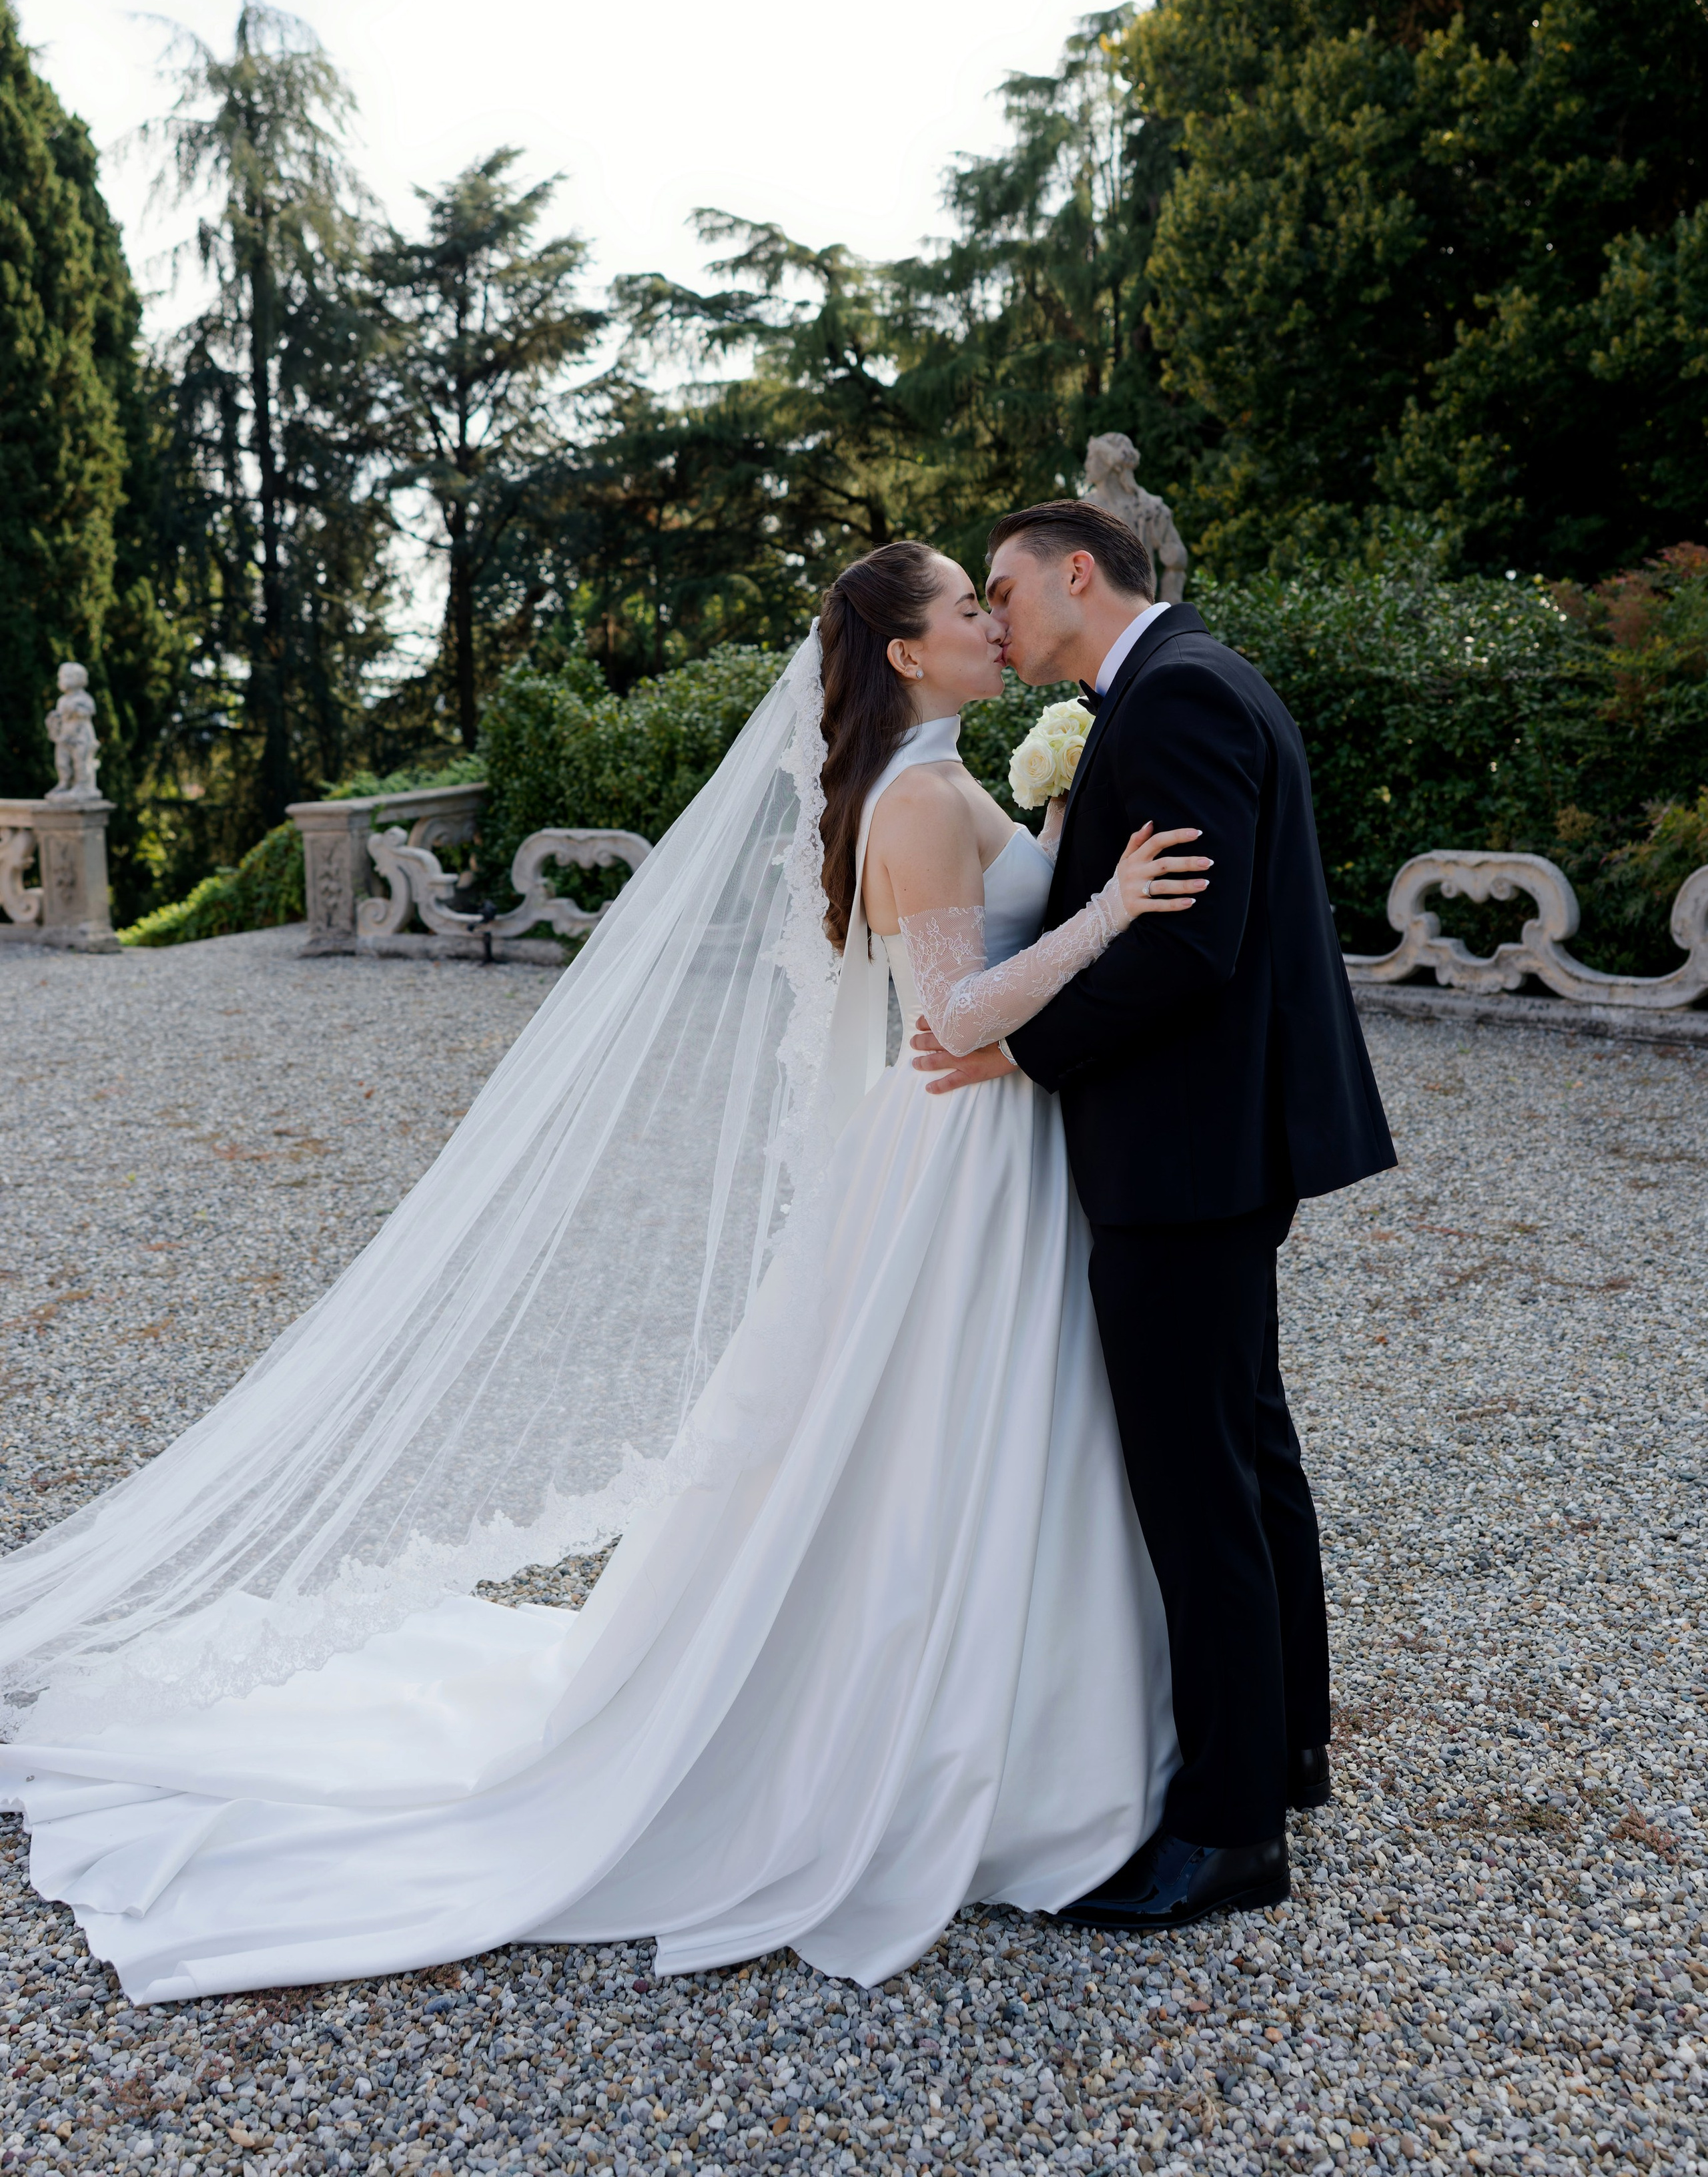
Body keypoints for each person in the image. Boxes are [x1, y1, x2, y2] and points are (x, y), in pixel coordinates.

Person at [0, 543, 1210, 2003]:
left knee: (998, 1432)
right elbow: (949, 1012)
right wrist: (1109, 909)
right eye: (966, 609)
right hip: (960, 1147)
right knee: (941, 1434)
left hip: (997, 1152)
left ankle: (1041, 1717)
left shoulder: (953, 779)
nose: (990, 624)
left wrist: (1069, 822)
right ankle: (951, 1734)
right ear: (903, 653)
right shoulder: (909, 804)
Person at [913, 501, 1396, 1931]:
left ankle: (1228, 1832)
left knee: (1195, 1485)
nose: (993, 619)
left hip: (1179, 1152)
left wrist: (1015, 1053)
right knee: (1243, 1451)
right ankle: (1282, 1749)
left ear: (1078, 570)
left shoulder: (1174, 698)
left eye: (1002, 589)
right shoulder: (1187, 679)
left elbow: (1187, 949)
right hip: (1212, 1144)